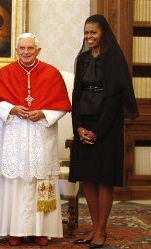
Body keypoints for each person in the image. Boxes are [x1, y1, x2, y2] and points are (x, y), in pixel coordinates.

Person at [0, 32, 72, 246]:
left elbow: (62, 104)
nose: (26, 52)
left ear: (38, 50)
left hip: (41, 136)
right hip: (14, 136)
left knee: (41, 181)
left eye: (30, 48)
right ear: (17, 50)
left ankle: (41, 230)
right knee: (14, 181)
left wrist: (44, 113)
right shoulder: (5, 72)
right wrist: (12, 108)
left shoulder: (51, 73)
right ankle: (14, 230)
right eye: (22, 48)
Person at [69, 14, 138, 249]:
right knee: (88, 177)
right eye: (86, 32)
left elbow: (114, 101)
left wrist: (97, 132)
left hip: (106, 127)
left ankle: (101, 231)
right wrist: (78, 126)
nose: (89, 37)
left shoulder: (114, 59)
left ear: (103, 34)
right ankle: (94, 227)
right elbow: (76, 96)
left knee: (104, 179)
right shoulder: (83, 59)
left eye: (93, 32)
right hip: (84, 124)